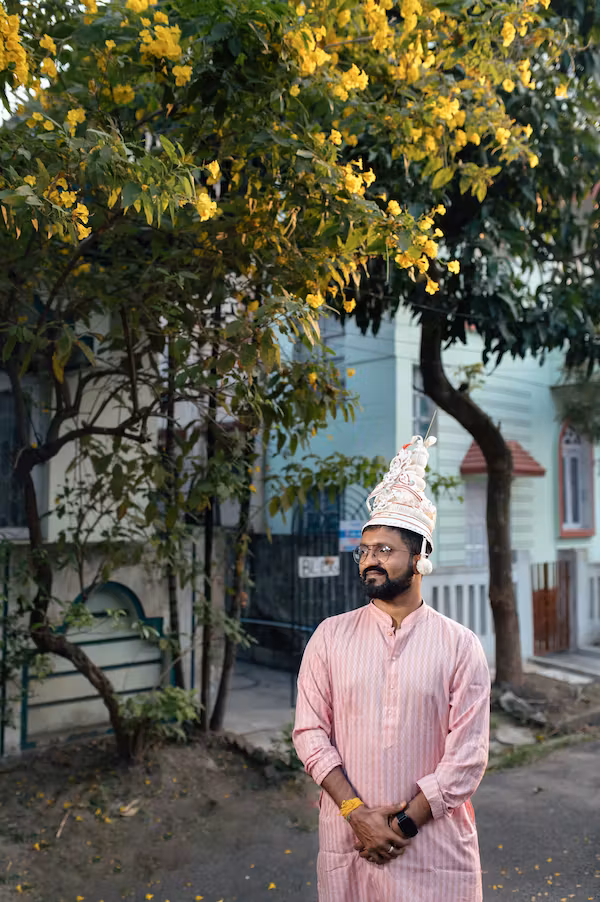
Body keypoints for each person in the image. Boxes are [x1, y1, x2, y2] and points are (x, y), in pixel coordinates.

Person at [293, 435, 491, 902]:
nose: (369, 562)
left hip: (432, 849)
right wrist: (358, 814)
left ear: (420, 557)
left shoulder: (460, 645)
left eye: (384, 550)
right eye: (364, 551)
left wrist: (401, 826)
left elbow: (467, 757)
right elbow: (309, 733)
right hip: (350, 840)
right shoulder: (330, 636)